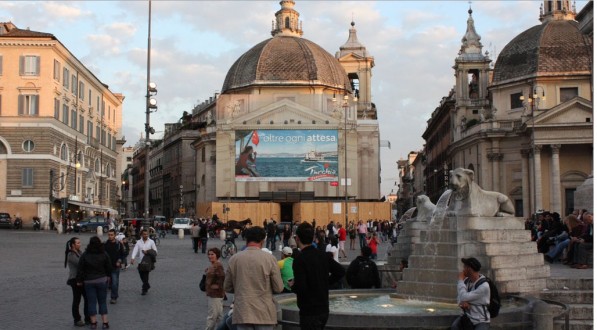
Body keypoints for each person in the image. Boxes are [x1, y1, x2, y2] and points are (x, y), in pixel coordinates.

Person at [223, 226, 284, 329]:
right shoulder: (270, 259)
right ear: (262, 240)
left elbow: (227, 287)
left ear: (246, 239)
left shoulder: (235, 259)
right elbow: (278, 287)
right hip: (264, 312)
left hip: (243, 311)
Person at [290, 222, 345, 329]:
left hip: (308, 310)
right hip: (324, 308)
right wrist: (325, 282)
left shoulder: (299, 260)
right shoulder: (323, 255)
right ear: (313, 238)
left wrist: (293, 286)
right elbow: (341, 271)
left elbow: (301, 287)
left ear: (297, 239)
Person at [76, 236, 112, 329]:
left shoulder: (85, 254)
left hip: (89, 281)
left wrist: (79, 280)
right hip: (101, 280)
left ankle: (93, 322)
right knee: (102, 302)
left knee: (91, 302)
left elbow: (80, 269)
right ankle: (105, 322)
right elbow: (109, 266)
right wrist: (108, 276)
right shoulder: (104, 253)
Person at [451, 257, 490, 330]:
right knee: (454, 327)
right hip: (467, 317)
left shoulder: (484, 286)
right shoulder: (466, 282)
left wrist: (460, 280)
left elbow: (463, 296)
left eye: (464, 267)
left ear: (469, 269)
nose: (463, 269)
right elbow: (459, 297)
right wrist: (462, 302)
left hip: (481, 321)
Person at [65, 237, 91, 327]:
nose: (80, 244)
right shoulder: (71, 255)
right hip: (75, 280)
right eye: (78, 243)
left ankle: (88, 318)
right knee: (77, 300)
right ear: (73, 245)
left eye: (80, 242)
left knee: (87, 298)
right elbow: (81, 263)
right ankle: (77, 319)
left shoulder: (79, 252)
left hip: (82, 279)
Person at [130, 229, 158, 295]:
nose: (146, 235)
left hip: (148, 262)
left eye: (147, 234)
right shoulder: (138, 242)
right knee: (141, 275)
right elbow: (135, 250)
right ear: (141, 235)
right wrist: (132, 258)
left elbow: (155, 251)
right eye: (144, 234)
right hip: (140, 262)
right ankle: (147, 285)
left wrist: (147, 251)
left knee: (146, 275)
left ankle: (144, 289)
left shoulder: (151, 242)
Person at [205, 247, 226, 330]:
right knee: (219, 316)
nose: (210, 256)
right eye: (209, 254)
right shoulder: (214, 265)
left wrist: (214, 287)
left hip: (215, 294)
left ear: (217, 255)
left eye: (212, 254)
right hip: (216, 294)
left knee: (212, 316)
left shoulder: (217, 266)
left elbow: (222, 278)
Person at [104, 229, 125, 304]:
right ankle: (102, 297)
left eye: (111, 235)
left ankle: (114, 297)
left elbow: (122, 254)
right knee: (104, 283)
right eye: (109, 235)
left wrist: (119, 261)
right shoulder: (105, 244)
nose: (110, 236)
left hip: (115, 267)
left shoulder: (119, 244)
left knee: (114, 283)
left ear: (115, 235)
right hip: (106, 267)